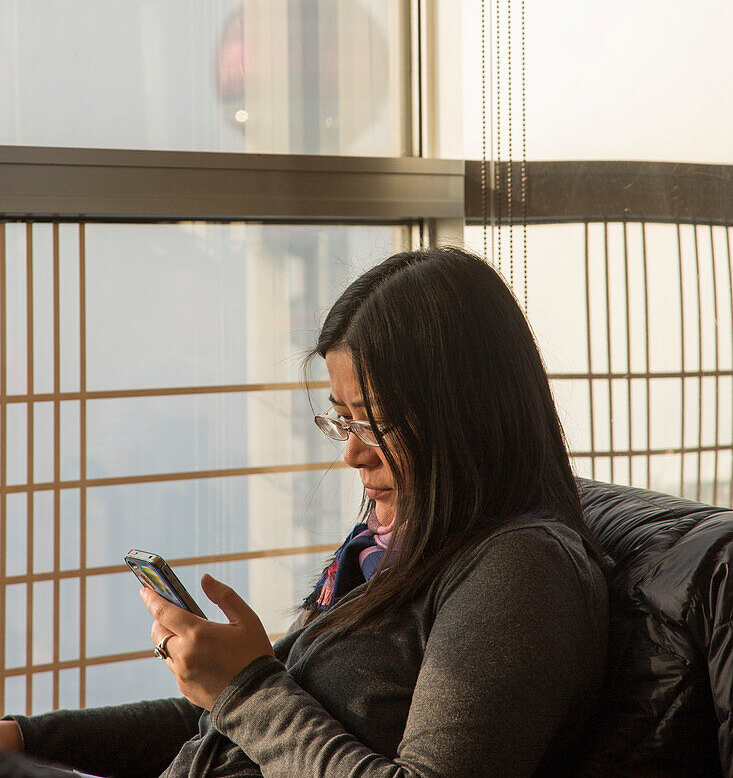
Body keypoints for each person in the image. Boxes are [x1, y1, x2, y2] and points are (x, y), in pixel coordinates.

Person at [1, 247, 608, 777]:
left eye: (374, 420)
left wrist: (242, 686)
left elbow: (258, 707)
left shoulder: (520, 570)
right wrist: (30, 737)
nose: (352, 452)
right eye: (343, 419)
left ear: (465, 412)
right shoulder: (392, 550)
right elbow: (240, 723)